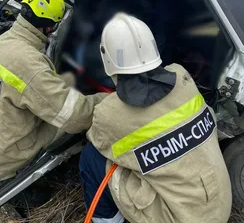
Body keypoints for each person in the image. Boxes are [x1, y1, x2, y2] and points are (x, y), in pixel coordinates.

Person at [79, 13, 232, 223]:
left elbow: (100, 140)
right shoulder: (182, 77)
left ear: (107, 58)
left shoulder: (109, 113)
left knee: (91, 158)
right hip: (219, 206)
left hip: (180, 218)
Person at [0, 0, 107, 186]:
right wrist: (107, 100)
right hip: (15, 157)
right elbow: (76, 117)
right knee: (77, 118)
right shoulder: (27, 64)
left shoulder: (2, 43)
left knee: (68, 84)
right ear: (49, 27)